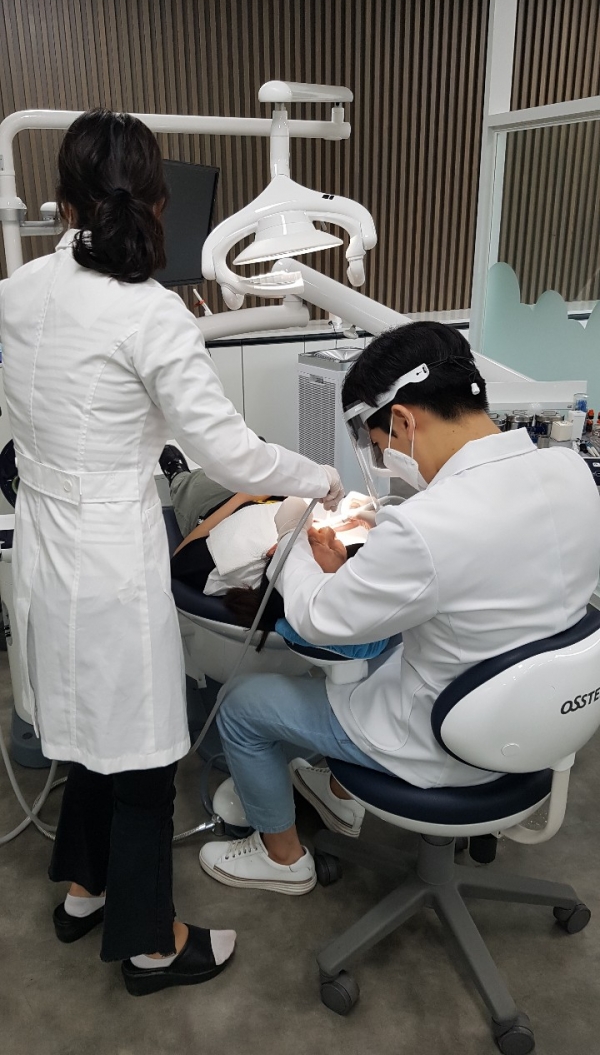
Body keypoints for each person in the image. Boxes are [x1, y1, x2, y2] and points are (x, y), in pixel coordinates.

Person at [0, 108, 343, 993]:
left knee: (87, 730)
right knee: (146, 752)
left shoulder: (19, 290)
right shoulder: (149, 313)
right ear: (155, 202)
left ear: (65, 200)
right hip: (107, 550)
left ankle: (85, 891)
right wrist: (319, 477)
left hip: (44, 542)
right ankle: (152, 945)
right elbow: (231, 455)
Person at [198, 321, 600, 896]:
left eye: (380, 445)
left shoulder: (426, 527)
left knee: (243, 704)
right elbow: (493, 560)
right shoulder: (571, 471)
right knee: (384, 657)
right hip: (548, 723)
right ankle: (336, 794)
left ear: (406, 420)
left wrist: (289, 548)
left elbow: (318, 619)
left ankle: (281, 859)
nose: (386, 460)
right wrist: (380, 532)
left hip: (445, 742)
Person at [160, 446, 386, 658]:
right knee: (255, 455)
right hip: (269, 498)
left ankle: (177, 476)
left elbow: (180, 557)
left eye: (314, 541)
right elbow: (322, 532)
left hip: (216, 506)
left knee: (196, 484)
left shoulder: (228, 561)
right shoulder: (320, 567)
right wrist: (357, 518)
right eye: (336, 545)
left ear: (276, 551)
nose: (327, 531)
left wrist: (246, 495)